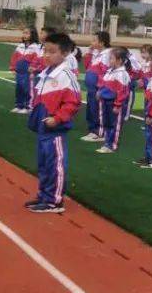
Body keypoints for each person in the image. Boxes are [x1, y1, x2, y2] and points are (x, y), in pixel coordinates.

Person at [26, 31, 81, 214]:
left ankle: (54, 201)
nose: (46, 55)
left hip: (55, 129)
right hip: (44, 128)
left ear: (64, 53)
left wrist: (57, 118)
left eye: (52, 52)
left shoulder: (65, 75)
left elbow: (73, 102)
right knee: (43, 163)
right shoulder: (46, 72)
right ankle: (44, 195)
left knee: (55, 164)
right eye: (45, 51)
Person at [96, 47, 131, 154]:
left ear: (119, 60)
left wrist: (118, 104)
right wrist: (100, 92)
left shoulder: (122, 74)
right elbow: (103, 84)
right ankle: (107, 143)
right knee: (107, 123)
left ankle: (112, 145)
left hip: (115, 104)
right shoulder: (110, 71)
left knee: (115, 125)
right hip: (106, 102)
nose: (109, 61)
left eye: (111, 58)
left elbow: (122, 92)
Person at [81, 31, 112, 143]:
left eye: (94, 40)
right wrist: (89, 52)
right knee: (91, 109)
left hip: (97, 88)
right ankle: (92, 130)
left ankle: (99, 132)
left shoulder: (106, 55)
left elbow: (105, 72)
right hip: (91, 88)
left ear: (102, 43)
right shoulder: (97, 54)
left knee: (97, 110)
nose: (92, 42)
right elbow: (87, 66)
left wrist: (101, 88)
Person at [10, 27, 42, 113]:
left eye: (27, 33)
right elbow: (14, 57)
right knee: (19, 88)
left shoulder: (35, 47)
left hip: (28, 72)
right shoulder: (20, 46)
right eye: (24, 33)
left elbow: (37, 59)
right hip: (19, 71)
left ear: (33, 35)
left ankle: (28, 107)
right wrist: (13, 68)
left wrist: (32, 69)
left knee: (27, 89)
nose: (24, 35)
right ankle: (18, 105)